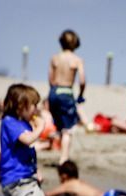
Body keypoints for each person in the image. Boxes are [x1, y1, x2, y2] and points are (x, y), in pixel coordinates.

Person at [0, 83, 48, 196]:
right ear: (20, 106)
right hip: (16, 180)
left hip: (27, 177)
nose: (36, 109)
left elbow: (29, 151)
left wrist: (37, 170)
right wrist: (41, 128)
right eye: (33, 105)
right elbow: (27, 140)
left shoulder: (24, 124)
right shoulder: (9, 122)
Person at [48, 29, 86, 164]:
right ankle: (64, 158)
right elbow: (82, 80)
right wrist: (81, 95)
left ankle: (52, 138)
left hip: (54, 92)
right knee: (67, 130)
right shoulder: (77, 60)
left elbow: (50, 79)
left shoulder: (55, 58)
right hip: (66, 92)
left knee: (58, 125)